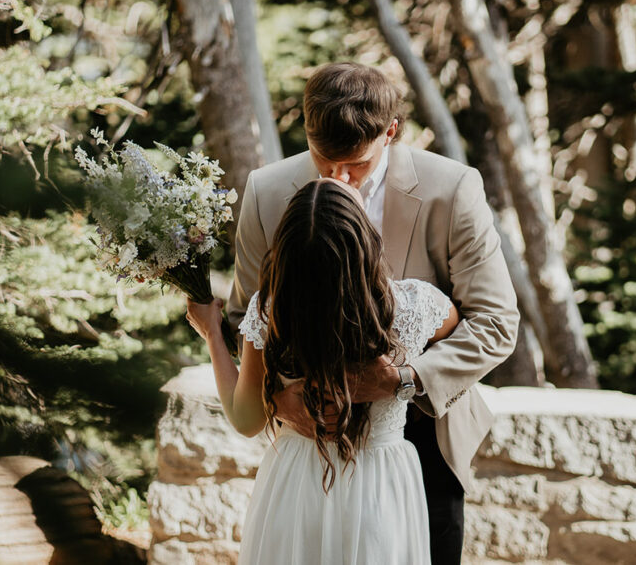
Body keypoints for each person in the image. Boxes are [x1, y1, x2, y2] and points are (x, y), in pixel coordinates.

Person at [227, 62, 519, 564]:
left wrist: (402, 379)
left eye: (356, 164)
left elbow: (495, 323)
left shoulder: (452, 188)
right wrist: (277, 392)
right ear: (306, 130)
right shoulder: (267, 190)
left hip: (423, 429)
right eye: (325, 160)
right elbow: (245, 316)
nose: (340, 180)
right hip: (307, 439)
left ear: (391, 131)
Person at [187, 178, 459, 564]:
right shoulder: (415, 305)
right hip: (381, 484)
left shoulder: (269, 312)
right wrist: (404, 376)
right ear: (365, 242)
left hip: (297, 480)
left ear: (286, 253)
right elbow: (457, 334)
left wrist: (212, 333)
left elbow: (245, 419)